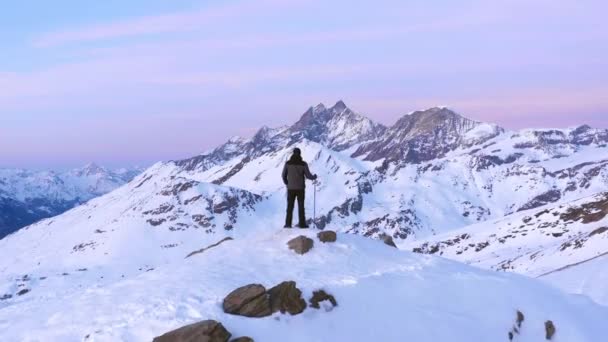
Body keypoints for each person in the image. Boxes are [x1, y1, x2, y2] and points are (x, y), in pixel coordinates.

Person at [282, 147, 318, 228]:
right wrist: (314, 177)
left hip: (290, 188)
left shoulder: (288, 163)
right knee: (301, 206)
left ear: (293, 153)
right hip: (300, 189)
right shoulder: (303, 164)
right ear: (300, 154)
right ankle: (302, 224)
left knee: (290, 206)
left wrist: (287, 183)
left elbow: (283, 175)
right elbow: (308, 176)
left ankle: (288, 224)